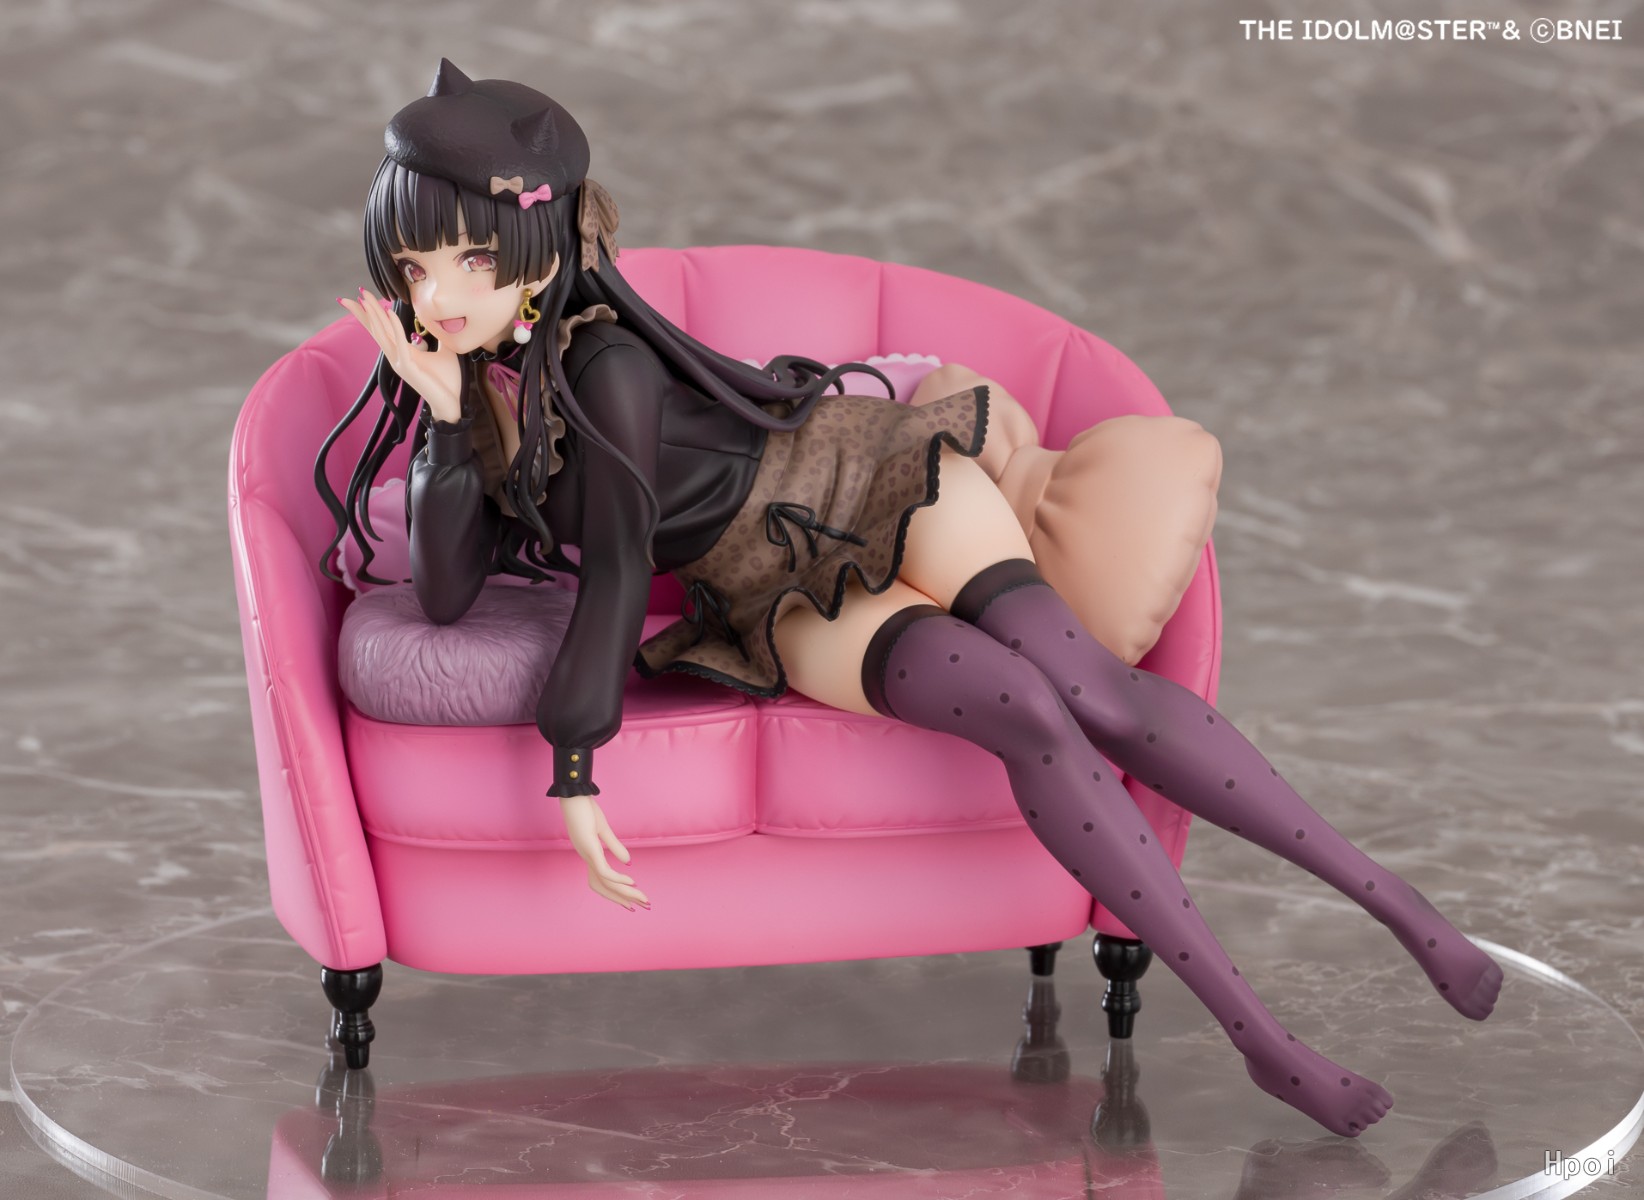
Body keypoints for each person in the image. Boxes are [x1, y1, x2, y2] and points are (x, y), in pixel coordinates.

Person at [317, 60, 1502, 1138]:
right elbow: (447, 592)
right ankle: (1265, 1042)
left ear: (538, 243)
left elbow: (620, 567)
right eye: (416, 269)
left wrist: (575, 767)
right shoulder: (479, 399)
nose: (441, 293)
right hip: (769, 587)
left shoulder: (604, 361)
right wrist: (444, 417)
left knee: (1094, 693)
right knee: (1024, 712)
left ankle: (1398, 906)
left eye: (470, 261)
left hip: (863, 474)